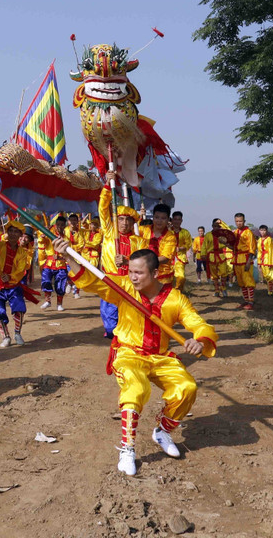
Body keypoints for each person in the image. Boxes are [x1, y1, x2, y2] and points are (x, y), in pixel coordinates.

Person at [53, 239, 218, 477]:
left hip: (160, 357)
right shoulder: (122, 287)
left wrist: (199, 341)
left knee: (187, 387)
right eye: (130, 272)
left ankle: (162, 431)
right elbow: (91, 281)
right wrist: (68, 256)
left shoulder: (175, 298)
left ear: (155, 272)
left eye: (139, 273)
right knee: (136, 387)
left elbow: (198, 324)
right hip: (128, 353)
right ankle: (127, 449)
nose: (133, 277)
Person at [97, 176, 148, 338]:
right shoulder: (110, 232)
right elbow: (103, 209)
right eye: (121, 219)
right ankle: (115, 337)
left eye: (128, 220)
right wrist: (107, 185)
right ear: (115, 220)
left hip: (131, 283)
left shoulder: (139, 241)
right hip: (111, 281)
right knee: (111, 322)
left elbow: (145, 261)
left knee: (132, 317)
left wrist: (128, 261)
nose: (124, 223)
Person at [139, 204, 178, 286]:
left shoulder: (171, 237)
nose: (159, 221)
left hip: (163, 277)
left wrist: (144, 262)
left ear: (168, 219)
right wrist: (140, 216)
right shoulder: (143, 230)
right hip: (143, 274)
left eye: (163, 218)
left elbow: (165, 258)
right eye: (157, 217)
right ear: (153, 217)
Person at [38, 215, 69, 311]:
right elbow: (41, 241)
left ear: (65, 226)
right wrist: (43, 235)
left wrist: (60, 257)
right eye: (58, 224)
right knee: (46, 281)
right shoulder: (49, 234)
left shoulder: (67, 239)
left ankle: (59, 304)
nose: (60, 226)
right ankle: (47, 301)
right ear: (55, 225)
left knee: (60, 284)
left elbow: (69, 253)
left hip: (61, 265)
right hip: (49, 263)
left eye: (62, 225)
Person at [231, 213, 257, 309]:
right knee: (241, 282)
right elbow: (233, 247)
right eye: (237, 221)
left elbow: (252, 248)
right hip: (237, 259)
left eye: (240, 221)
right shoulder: (235, 233)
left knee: (248, 281)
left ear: (244, 221)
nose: (239, 223)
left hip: (245, 258)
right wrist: (224, 243)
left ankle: (251, 302)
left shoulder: (248, 233)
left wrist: (248, 261)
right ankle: (246, 300)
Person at [202, 219, 234, 298]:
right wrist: (203, 254)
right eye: (215, 226)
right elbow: (204, 246)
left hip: (221, 256)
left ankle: (223, 288)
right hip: (211, 257)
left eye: (218, 226)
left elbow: (229, 234)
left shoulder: (223, 235)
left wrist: (222, 222)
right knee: (214, 275)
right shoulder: (208, 235)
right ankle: (216, 290)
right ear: (212, 226)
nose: (216, 228)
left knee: (223, 273)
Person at [171, 211, 193, 291]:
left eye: (179, 219)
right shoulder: (167, 231)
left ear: (181, 221)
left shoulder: (185, 232)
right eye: (175, 219)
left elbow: (188, 244)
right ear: (172, 220)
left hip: (180, 257)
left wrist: (180, 248)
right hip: (167, 257)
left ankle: (178, 292)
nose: (177, 221)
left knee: (181, 277)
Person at [65, 213, 85, 299]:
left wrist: (73, 248)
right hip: (68, 256)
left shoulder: (80, 232)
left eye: (75, 220)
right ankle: (69, 283)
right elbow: (65, 242)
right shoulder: (65, 230)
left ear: (77, 221)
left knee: (78, 274)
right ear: (68, 221)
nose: (73, 222)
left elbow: (82, 243)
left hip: (78, 257)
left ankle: (76, 292)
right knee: (69, 273)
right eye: (71, 220)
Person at [257, 225, 273, 295]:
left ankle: (270, 291)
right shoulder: (259, 240)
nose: (262, 232)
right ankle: (269, 290)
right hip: (262, 259)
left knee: (269, 276)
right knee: (265, 276)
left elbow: (271, 251)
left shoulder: (269, 239)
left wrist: (270, 263)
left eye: (264, 230)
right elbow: (259, 251)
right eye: (261, 230)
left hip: (268, 258)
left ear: (266, 231)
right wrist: (259, 262)